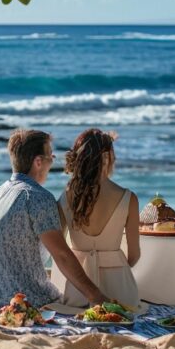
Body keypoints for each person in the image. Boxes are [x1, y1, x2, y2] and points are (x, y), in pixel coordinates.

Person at [0, 128, 108, 309]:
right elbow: (61, 255)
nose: (52, 162)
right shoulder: (36, 197)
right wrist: (97, 296)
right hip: (23, 301)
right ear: (38, 162)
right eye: (50, 156)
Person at [50, 128, 143, 311]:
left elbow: (57, 250)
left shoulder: (65, 198)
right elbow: (134, 255)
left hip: (77, 292)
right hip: (120, 292)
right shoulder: (128, 198)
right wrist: (114, 264)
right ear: (108, 157)